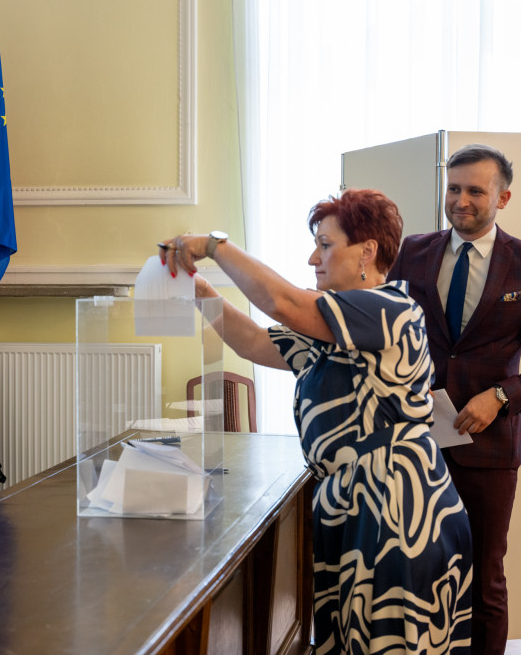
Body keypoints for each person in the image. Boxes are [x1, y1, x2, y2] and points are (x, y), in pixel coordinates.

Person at [159, 190, 472, 654]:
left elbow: (284, 303)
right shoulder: (338, 325)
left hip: (396, 511)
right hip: (360, 502)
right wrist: (200, 291)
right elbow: (253, 343)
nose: (313, 258)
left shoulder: (388, 309)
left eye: (325, 245)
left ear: (367, 251)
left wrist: (213, 246)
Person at [387, 144, 521, 655]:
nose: (462, 200)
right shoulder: (412, 252)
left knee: (483, 575)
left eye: (475, 190)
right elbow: (385, 332)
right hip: (413, 443)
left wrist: (501, 396)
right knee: (415, 570)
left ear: (503, 197)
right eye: (454, 189)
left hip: (488, 448)